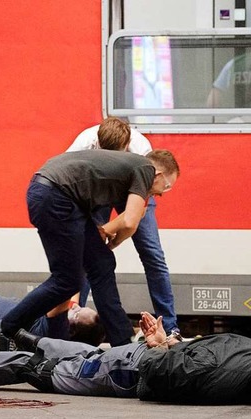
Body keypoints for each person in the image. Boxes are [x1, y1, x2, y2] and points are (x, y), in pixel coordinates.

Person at [0, 143, 180, 349]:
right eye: (167, 186)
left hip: (65, 198)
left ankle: (122, 342)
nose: (163, 194)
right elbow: (130, 222)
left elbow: (132, 217)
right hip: (56, 196)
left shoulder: (130, 168)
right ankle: (5, 328)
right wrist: (113, 240)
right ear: (158, 174)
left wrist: (105, 235)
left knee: (102, 264)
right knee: (67, 281)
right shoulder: (145, 169)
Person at [0, 312, 251, 405]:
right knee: (88, 353)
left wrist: (157, 347)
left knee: (39, 369)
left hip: (133, 374)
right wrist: (168, 342)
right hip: (136, 360)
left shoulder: (231, 369)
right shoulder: (243, 353)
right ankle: (38, 341)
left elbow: (162, 371)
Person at [67, 118, 179, 334]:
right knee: (86, 255)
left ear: (126, 145)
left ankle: (170, 327)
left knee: (153, 255)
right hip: (98, 191)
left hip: (132, 191)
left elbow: (133, 216)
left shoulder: (141, 150)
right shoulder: (83, 144)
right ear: (98, 145)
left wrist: (108, 237)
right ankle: (72, 320)